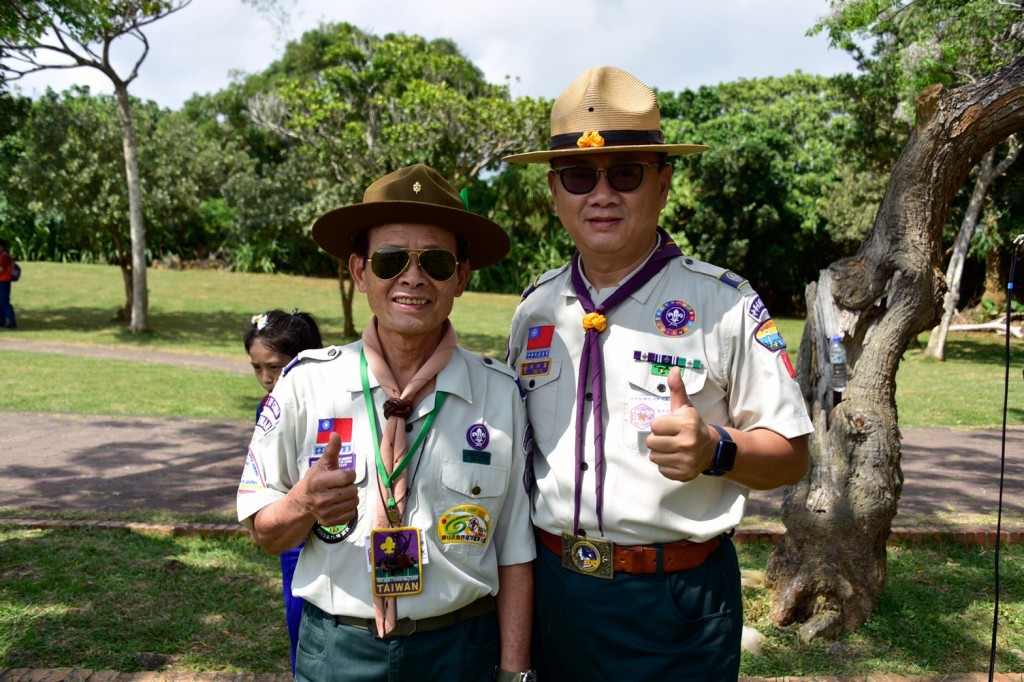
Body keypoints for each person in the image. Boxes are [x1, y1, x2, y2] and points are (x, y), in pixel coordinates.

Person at [503, 66, 813, 680]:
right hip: (556, 593)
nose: (601, 194)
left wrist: (716, 450)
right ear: (553, 191)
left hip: (675, 600)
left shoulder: (724, 304)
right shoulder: (534, 310)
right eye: (578, 176)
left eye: (625, 174)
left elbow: (792, 455)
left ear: (663, 183)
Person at [237, 163, 536, 682]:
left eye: (436, 262)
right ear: (360, 272)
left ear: (461, 277)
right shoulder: (305, 384)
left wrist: (513, 672)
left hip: (460, 650)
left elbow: (514, 551)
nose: (413, 277)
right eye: (391, 259)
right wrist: (303, 503)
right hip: (338, 649)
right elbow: (264, 533)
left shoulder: (500, 393)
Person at [243, 308, 323, 675]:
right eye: (257, 367)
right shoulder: (267, 407)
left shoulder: (329, 403)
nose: (265, 378)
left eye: (274, 366)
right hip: (290, 537)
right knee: (298, 624)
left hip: (331, 533)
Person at [0, 239, 17, 329]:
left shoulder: (4, 256)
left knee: (4, 302)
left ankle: (12, 321)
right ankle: (1, 320)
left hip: (3, 282)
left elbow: (1, 269)